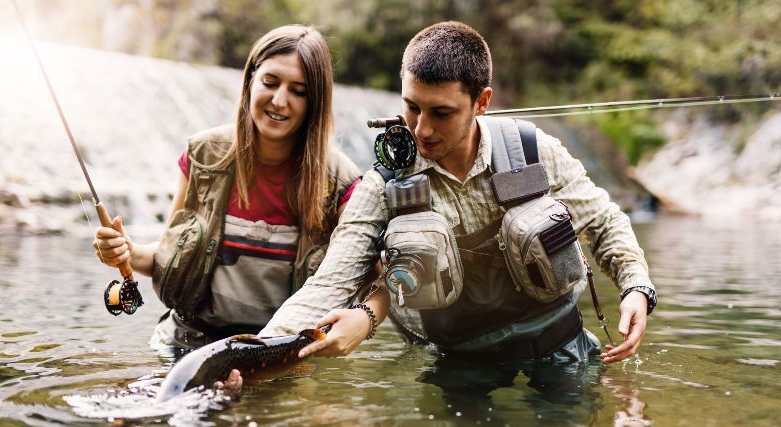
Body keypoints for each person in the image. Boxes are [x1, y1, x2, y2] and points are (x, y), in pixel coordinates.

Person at [262, 21, 656, 364]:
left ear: (481, 102)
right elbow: (330, 283)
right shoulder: (385, 184)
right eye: (412, 107)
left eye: (441, 113)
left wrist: (636, 288)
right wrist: (255, 352)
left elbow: (603, 223)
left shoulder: (535, 151)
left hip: (557, 343)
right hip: (462, 361)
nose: (421, 130)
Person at [93, 25, 389, 382]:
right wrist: (126, 252)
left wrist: (365, 318)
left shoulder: (341, 181)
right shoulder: (203, 155)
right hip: (187, 348)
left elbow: (378, 282)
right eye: (270, 82)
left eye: (298, 91)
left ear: (315, 102)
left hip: (278, 359)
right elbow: (168, 256)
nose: (280, 100)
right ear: (250, 80)